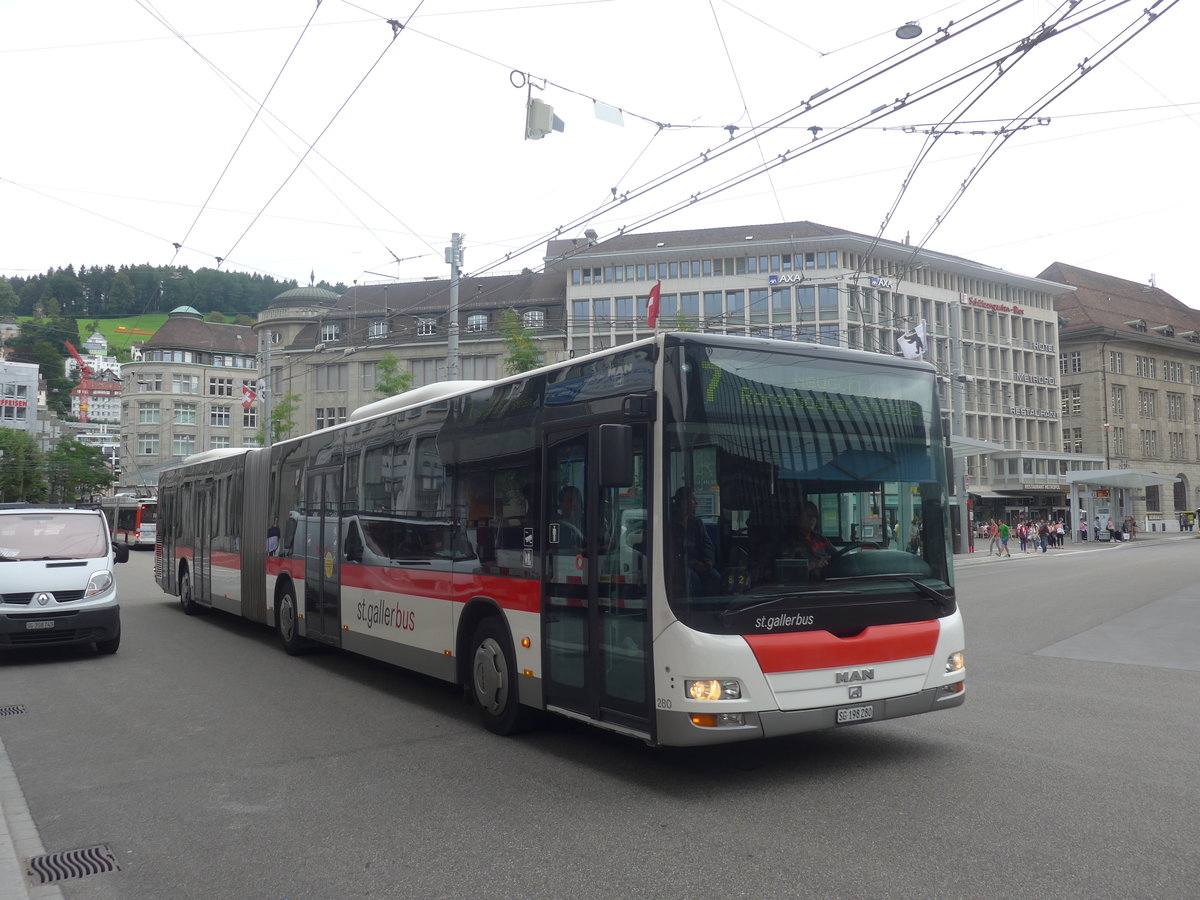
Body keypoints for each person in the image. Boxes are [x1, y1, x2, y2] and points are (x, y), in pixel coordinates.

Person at [670, 487, 720, 595]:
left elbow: (708, 544)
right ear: (682, 502)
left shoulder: (697, 523)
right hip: (680, 567)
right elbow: (671, 552)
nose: (696, 502)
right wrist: (692, 564)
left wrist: (708, 562)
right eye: (692, 499)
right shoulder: (670, 524)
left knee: (715, 578)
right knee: (693, 582)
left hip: (700, 565)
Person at [779, 501, 834, 577]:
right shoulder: (789, 543)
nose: (812, 519)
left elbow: (838, 556)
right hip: (804, 586)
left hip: (829, 583)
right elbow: (786, 569)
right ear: (798, 517)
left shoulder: (822, 540)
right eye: (808, 515)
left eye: (814, 516)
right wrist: (815, 565)